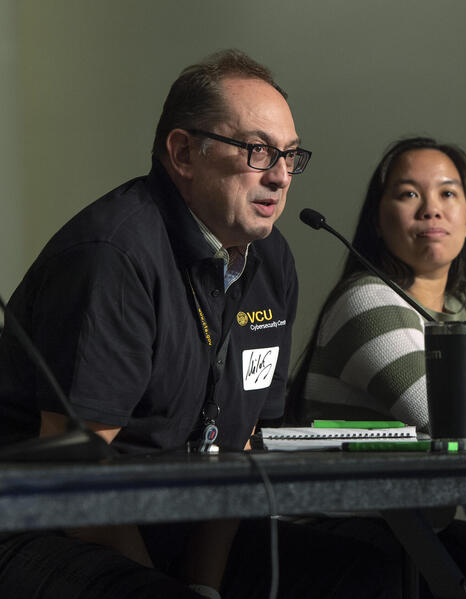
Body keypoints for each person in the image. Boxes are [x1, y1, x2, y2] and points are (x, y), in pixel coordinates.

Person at [0, 49, 399, 599]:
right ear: (184, 153)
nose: (281, 177)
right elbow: (76, 473)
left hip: (182, 525)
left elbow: (239, 450)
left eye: (290, 155)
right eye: (258, 151)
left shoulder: (271, 259)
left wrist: (203, 584)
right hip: (43, 525)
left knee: (370, 574)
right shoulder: (113, 255)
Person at [290, 136, 466, 432]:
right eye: (409, 194)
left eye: (447, 193)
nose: (431, 210)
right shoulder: (365, 299)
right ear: (377, 221)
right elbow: (439, 415)